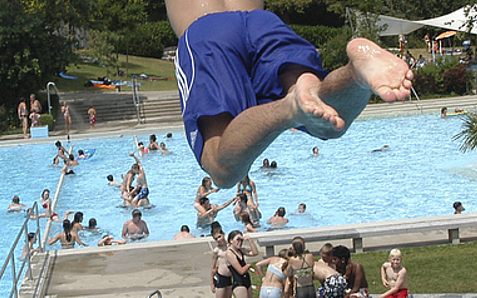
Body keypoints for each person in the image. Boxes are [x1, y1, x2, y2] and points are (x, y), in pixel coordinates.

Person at [167, 1, 413, 188]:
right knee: (326, 121)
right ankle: (356, 76)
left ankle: (290, 107)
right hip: (262, 22)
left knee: (221, 168)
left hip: (207, 31)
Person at [211, 228, 235, 298]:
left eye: (219, 237)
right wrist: (212, 283)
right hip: (220, 277)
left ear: (223, 235)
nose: (218, 240)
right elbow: (212, 268)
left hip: (229, 278)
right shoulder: (217, 251)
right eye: (216, 239)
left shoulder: (230, 248)